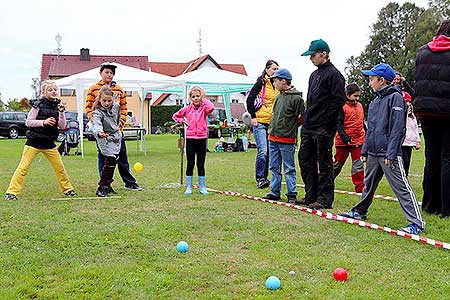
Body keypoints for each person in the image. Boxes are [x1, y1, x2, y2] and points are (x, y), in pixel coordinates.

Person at [340, 63, 425, 234]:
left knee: (401, 186)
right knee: (368, 184)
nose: (369, 82)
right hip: (373, 152)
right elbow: (370, 128)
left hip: (388, 153)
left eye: (372, 79)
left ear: (382, 80)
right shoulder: (375, 101)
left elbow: (397, 128)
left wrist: (391, 152)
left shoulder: (396, 98)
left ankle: (417, 223)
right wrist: (365, 150)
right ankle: (360, 211)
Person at [4, 80, 76, 200]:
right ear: (43, 92)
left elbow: (62, 126)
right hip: (33, 143)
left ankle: (68, 189)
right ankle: (11, 192)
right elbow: (28, 122)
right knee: (23, 168)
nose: (53, 91)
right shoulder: (37, 105)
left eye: (55, 89)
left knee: (60, 168)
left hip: (50, 144)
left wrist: (62, 112)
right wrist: (44, 122)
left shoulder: (58, 106)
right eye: (50, 90)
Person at [298, 39, 346, 209]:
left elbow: (338, 101)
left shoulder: (335, 75)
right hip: (309, 126)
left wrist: (326, 124)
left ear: (324, 54)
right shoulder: (314, 75)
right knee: (305, 160)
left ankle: (325, 198)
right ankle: (310, 195)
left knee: (324, 163)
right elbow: (310, 101)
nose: (311, 58)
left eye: (313, 55)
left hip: (324, 128)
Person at [85, 62, 142, 191]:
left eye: (111, 73)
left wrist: (120, 125)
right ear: (101, 73)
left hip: (116, 131)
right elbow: (89, 108)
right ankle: (105, 185)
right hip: (101, 133)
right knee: (104, 159)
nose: (109, 75)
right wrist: (96, 124)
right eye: (107, 72)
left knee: (122, 157)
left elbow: (123, 109)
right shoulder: (93, 89)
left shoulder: (119, 89)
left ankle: (129, 182)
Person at [414, 20, 450, 217]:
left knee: (432, 158)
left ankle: (429, 205)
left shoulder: (422, 52)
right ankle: (447, 208)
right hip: (447, 112)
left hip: (426, 112)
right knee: (447, 159)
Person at [263, 69, 305, 203]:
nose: (274, 83)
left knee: (289, 168)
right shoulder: (278, 97)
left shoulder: (297, 99)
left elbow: (301, 118)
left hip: (287, 139)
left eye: (275, 80)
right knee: (274, 167)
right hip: (273, 138)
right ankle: (274, 192)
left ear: (283, 81)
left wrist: (289, 128)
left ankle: (291, 193)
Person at [172, 86, 214, 195]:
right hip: (190, 138)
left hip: (202, 139)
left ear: (201, 97)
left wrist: (203, 99)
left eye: (198, 96)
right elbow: (175, 116)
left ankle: (202, 186)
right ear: (190, 98)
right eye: (193, 96)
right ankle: (189, 187)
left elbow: (212, 107)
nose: (196, 98)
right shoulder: (187, 109)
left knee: (201, 163)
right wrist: (182, 121)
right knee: (190, 163)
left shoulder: (205, 108)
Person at [246, 60, 279, 189]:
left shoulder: (277, 84)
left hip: (272, 123)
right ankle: (260, 178)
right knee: (263, 151)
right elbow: (250, 99)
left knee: (270, 152)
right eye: (273, 69)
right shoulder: (261, 82)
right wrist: (253, 117)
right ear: (267, 70)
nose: (275, 71)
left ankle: (265, 177)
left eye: (277, 69)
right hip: (259, 121)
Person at [333, 83, 366, 193]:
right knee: (337, 165)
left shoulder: (360, 106)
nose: (357, 98)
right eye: (355, 96)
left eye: (358, 96)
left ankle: (360, 187)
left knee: (358, 165)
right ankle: (325, 181)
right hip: (343, 142)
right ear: (347, 94)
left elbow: (362, 122)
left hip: (358, 141)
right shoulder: (341, 106)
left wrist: (366, 133)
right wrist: (344, 137)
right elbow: (339, 123)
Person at [91, 85, 121, 197]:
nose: (107, 103)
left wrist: (117, 130)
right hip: (104, 137)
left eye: (109, 100)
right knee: (110, 161)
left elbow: (116, 121)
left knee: (113, 162)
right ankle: (102, 187)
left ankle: (108, 186)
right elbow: (96, 124)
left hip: (116, 137)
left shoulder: (116, 107)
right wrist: (99, 132)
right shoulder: (97, 112)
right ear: (99, 99)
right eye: (104, 100)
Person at [401, 91, 421, 177]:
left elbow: (415, 128)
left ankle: (405, 176)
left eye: (409, 101)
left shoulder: (412, 116)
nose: (408, 103)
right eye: (405, 101)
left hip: (410, 142)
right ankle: (402, 177)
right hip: (402, 142)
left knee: (407, 161)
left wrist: (417, 141)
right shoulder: (400, 115)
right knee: (403, 160)